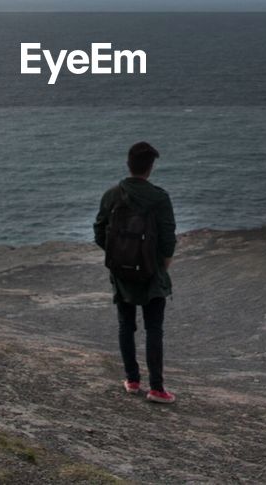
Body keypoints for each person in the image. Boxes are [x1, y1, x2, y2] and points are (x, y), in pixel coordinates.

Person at [93, 141, 178, 404]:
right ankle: (157, 388)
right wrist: (162, 265)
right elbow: (168, 239)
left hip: (122, 272)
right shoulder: (159, 198)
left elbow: (99, 231)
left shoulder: (112, 195)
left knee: (125, 326)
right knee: (154, 329)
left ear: (128, 165)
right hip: (152, 273)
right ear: (150, 168)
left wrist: (118, 255)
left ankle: (132, 380)